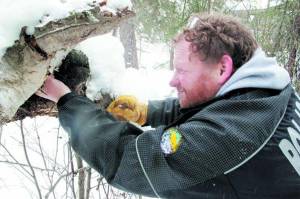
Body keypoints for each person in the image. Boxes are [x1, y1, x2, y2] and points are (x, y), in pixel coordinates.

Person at [36, 13, 300, 199]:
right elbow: (219, 109)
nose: (173, 80)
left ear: (223, 67)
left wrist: (68, 102)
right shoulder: (272, 90)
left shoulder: (224, 141)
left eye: (182, 71)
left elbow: (128, 159)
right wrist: (150, 112)